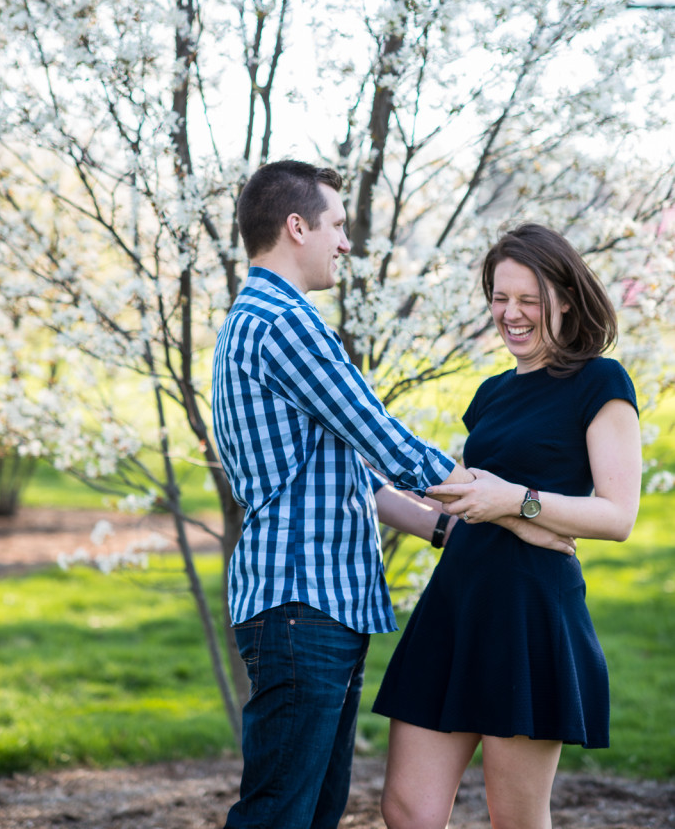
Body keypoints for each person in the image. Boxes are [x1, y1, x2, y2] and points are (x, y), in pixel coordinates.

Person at [211, 163, 573, 829]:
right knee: (279, 814)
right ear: (297, 228)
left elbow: (344, 472)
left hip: (308, 603)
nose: (345, 244)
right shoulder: (285, 323)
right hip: (302, 603)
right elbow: (386, 442)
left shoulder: (251, 318)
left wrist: (447, 528)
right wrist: (508, 505)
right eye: (337, 226)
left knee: (311, 811)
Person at [373, 223, 642, 829]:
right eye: (500, 297)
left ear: (566, 298)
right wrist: (362, 482)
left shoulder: (600, 382)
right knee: (407, 810)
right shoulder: (492, 394)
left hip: (528, 614)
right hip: (454, 605)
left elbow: (619, 515)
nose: (511, 314)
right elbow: (463, 504)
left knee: (514, 819)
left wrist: (516, 504)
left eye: (529, 299)